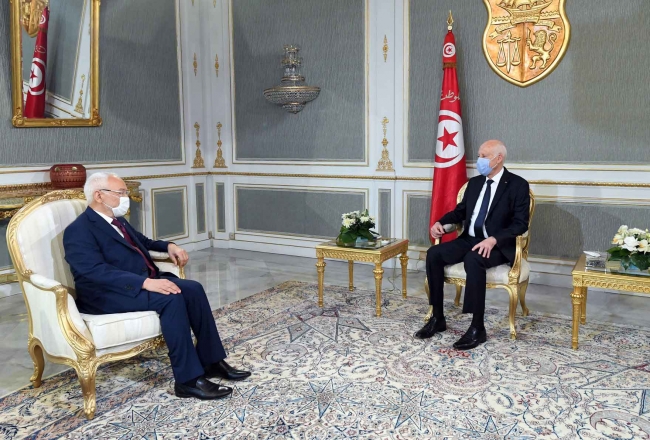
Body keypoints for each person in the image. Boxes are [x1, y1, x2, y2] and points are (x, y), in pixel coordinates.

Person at [63, 172, 250, 400]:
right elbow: (93, 271)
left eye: (125, 192)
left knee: (193, 289)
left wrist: (168, 245)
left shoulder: (117, 220)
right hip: (106, 295)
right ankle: (188, 381)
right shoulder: (79, 230)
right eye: (121, 192)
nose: (126, 197)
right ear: (99, 195)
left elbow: (144, 243)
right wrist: (145, 283)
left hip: (138, 283)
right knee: (171, 297)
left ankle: (211, 361)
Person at [415, 140, 530, 349]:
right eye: (479, 155)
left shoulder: (517, 185)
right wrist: (440, 222)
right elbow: (460, 212)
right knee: (434, 254)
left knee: (473, 259)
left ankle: (477, 328)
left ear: (498, 158)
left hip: (497, 245)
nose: (479, 160)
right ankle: (437, 318)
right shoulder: (475, 184)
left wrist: (494, 239)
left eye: (484, 156)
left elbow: (520, 224)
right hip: (469, 239)